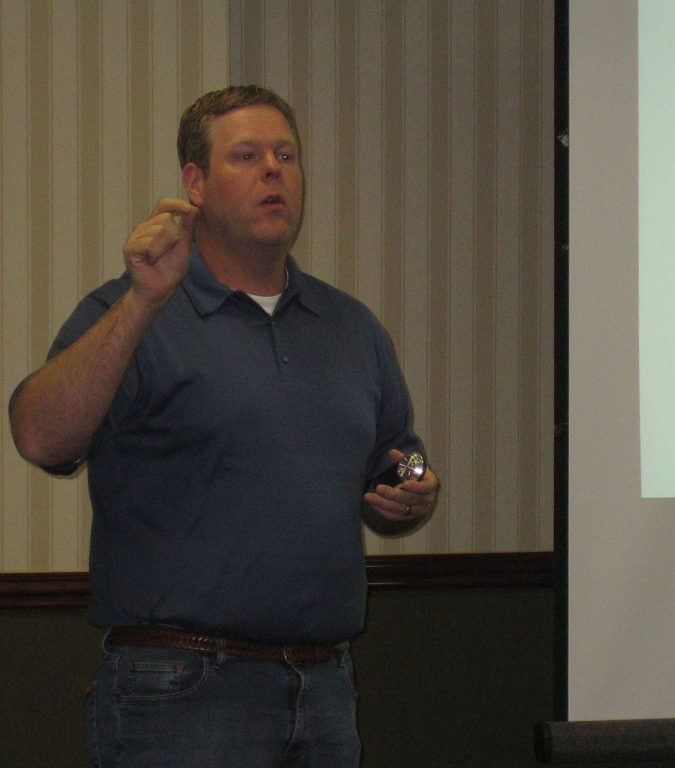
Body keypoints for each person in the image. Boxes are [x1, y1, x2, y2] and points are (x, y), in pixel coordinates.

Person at [8, 85, 439, 767]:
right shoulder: (134, 312)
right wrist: (143, 301)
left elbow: (400, 457)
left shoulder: (352, 327)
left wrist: (415, 485)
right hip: (181, 688)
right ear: (195, 184)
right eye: (246, 156)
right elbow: (39, 437)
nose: (274, 170)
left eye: (286, 156)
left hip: (325, 687)